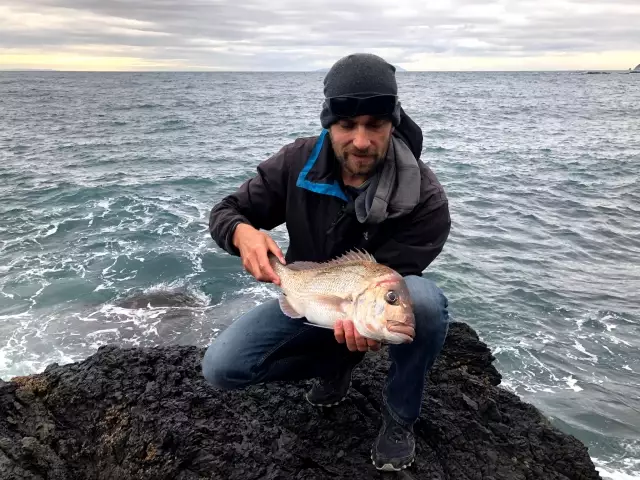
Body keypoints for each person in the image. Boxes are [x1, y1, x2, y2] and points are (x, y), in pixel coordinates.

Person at [202, 53, 451, 472]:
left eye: (374, 124)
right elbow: (227, 210)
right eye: (346, 125)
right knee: (222, 368)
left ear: (393, 122)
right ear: (327, 124)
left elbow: (390, 279)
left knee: (423, 306)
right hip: (310, 293)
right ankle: (337, 365)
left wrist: (371, 323)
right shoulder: (296, 161)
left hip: (369, 299)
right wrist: (241, 233)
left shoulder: (425, 198)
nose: (361, 140)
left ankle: (399, 417)